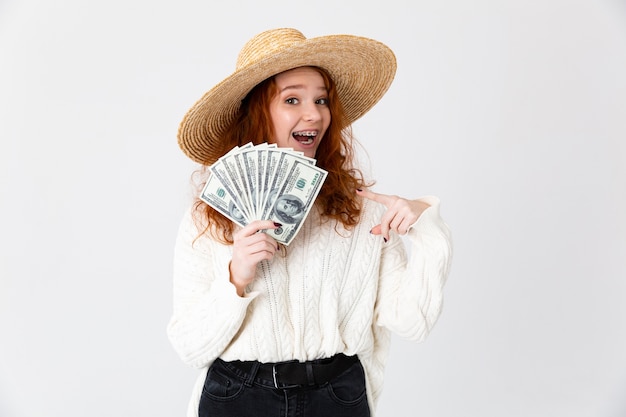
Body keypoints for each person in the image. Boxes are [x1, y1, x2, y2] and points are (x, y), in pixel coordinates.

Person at [167, 28, 453, 417]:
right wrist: (235, 277)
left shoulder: (362, 213)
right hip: (239, 398)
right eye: (292, 99)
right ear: (257, 112)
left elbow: (412, 322)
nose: (314, 113)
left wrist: (425, 223)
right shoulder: (211, 218)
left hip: (336, 395)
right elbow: (189, 347)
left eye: (321, 99)